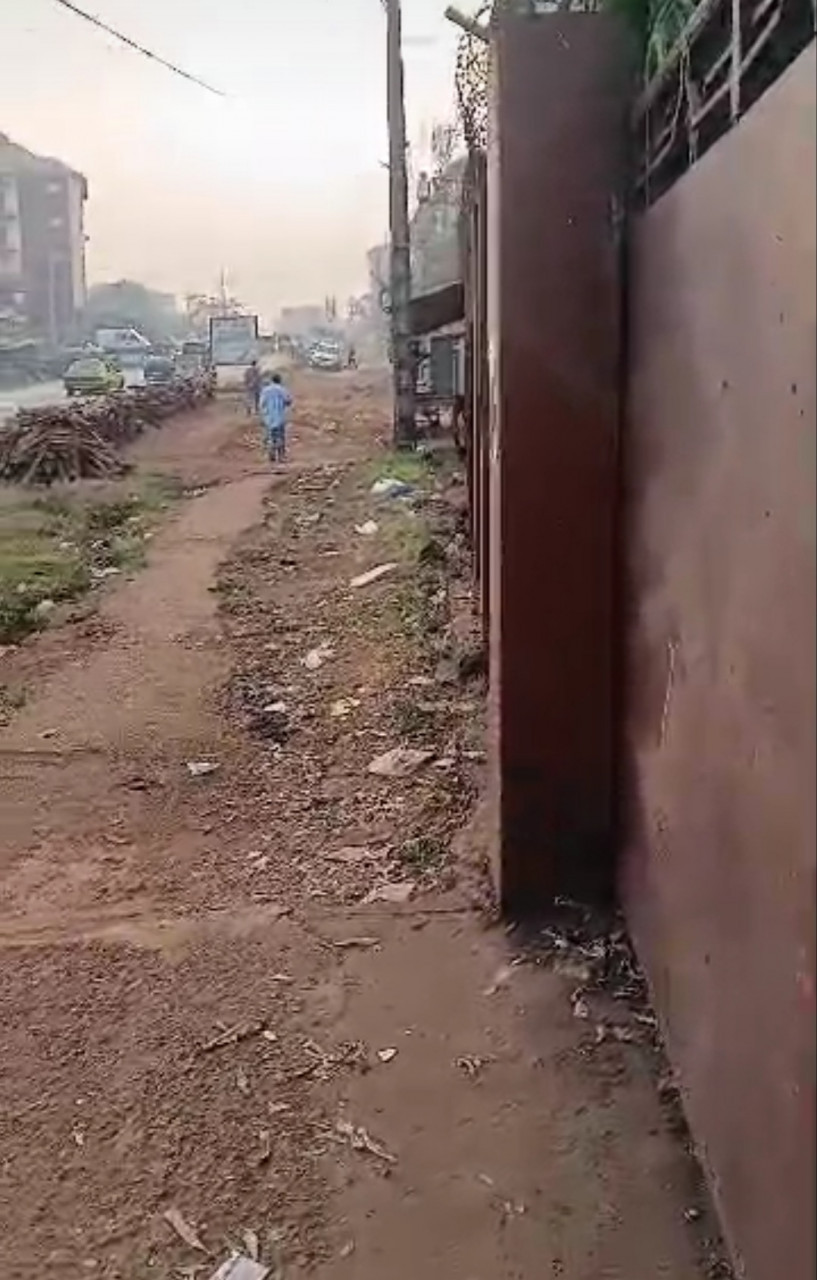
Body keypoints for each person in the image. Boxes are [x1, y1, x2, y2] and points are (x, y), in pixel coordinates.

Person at [259, 372, 293, 463]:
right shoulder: (283, 390)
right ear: (280, 381)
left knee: (270, 436)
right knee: (280, 437)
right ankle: (281, 456)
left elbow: (261, 404)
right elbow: (288, 401)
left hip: (268, 418)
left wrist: (262, 415)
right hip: (280, 417)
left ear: (272, 380)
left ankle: (271, 454)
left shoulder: (265, 390)